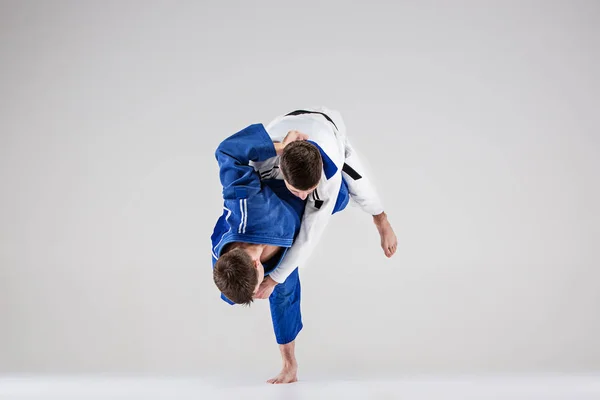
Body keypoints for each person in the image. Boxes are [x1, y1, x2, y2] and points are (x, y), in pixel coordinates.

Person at [211, 107, 398, 384]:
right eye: (298, 189)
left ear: (255, 264)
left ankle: (380, 219)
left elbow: (311, 234)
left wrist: (274, 279)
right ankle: (290, 367)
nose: (304, 195)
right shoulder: (233, 223)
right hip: (282, 131)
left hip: (329, 131)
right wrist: (277, 147)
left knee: (352, 191)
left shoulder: (327, 180)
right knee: (242, 290)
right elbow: (227, 152)